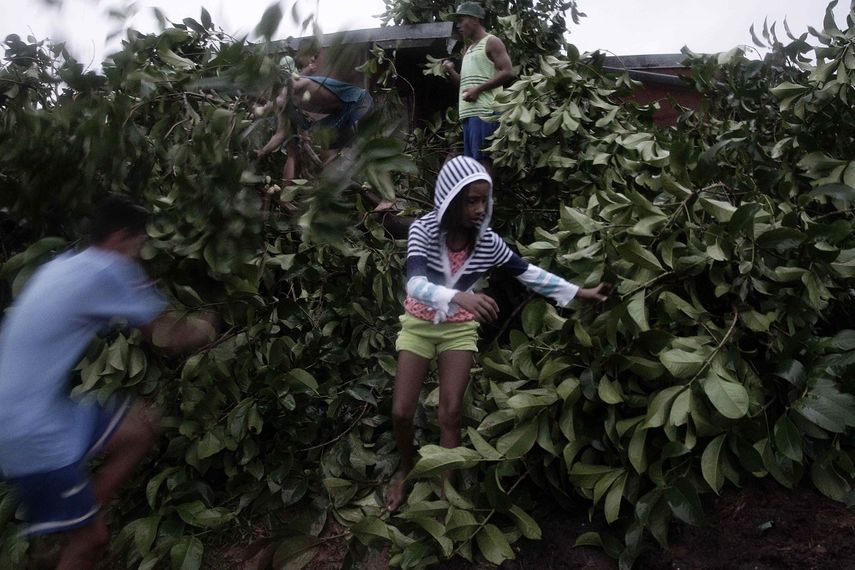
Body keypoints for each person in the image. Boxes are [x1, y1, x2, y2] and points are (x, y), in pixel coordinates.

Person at [0, 197, 216, 569]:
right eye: (138, 244)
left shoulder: (63, 265)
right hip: (30, 432)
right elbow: (167, 336)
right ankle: (79, 532)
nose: (139, 253)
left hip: (33, 414)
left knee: (140, 428)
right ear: (119, 237)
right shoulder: (109, 270)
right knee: (93, 542)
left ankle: (75, 521)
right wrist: (212, 324)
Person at [384, 156, 610, 511]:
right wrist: (460, 295)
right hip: (419, 325)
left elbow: (529, 272)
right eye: (471, 200)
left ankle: (448, 499)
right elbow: (415, 284)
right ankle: (406, 467)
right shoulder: (424, 230)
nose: (479, 208)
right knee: (400, 412)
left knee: (451, 413)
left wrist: (579, 292)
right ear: (451, 198)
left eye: (484, 200)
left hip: (457, 330)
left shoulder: (487, 243)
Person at [255, 51, 373, 183]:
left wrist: (263, 109)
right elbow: (279, 135)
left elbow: (282, 97)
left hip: (359, 101)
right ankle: (332, 181)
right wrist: (262, 152)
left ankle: (384, 193)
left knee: (365, 145)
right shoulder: (284, 107)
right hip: (343, 112)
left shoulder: (294, 84)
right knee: (319, 135)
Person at [442, 2, 514, 166]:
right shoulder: (469, 49)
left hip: (485, 113)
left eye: (461, 20)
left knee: (482, 164)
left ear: (475, 19)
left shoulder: (491, 42)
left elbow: (508, 71)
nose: (459, 26)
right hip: (469, 115)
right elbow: (464, 85)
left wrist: (478, 89)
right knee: (473, 167)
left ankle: (487, 193)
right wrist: (450, 71)